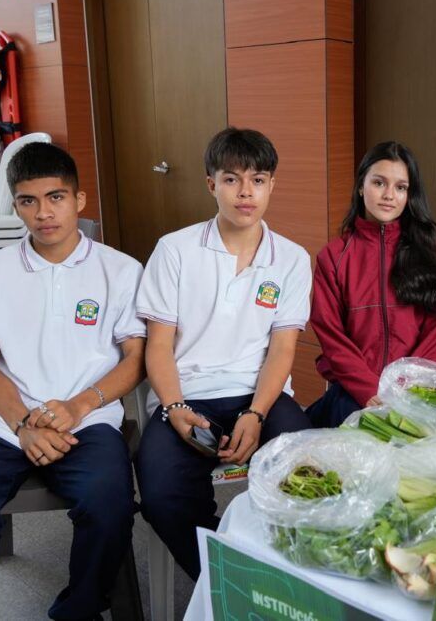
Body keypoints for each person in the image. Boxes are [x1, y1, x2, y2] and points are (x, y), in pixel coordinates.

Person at [0, 142, 146, 620]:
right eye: (28, 201)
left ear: (79, 200)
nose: (44, 213)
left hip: (88, 420)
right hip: (0, 423)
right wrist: (24, 423)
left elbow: (136, 359)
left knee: (109, 505)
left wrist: (79, 407)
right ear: (15, 204)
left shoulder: (121, 271)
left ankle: (79, 610)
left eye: (56, 197)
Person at [135, 127, 312, 578]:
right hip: (185, 395)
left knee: (307, 476)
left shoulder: (291, 259)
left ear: (272, 185)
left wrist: (255, 413)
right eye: (231, 179)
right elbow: (158, 344)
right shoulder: (175, 250)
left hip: (259, 397)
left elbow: (282, 350)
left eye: (257, 179)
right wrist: (174, 406)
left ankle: (289, 577)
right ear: (211, 184)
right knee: (161, 496)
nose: (245, 192)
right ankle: (231, 581)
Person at [307, 141, 436, 427]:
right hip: (357, 390)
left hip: (418, 390)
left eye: (401, 187)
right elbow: (332, 337)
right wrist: (370, 390)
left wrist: (405, 387)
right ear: (361, 186)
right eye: (379, 183)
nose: (390, 195)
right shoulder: (334, 257)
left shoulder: (432, 253)